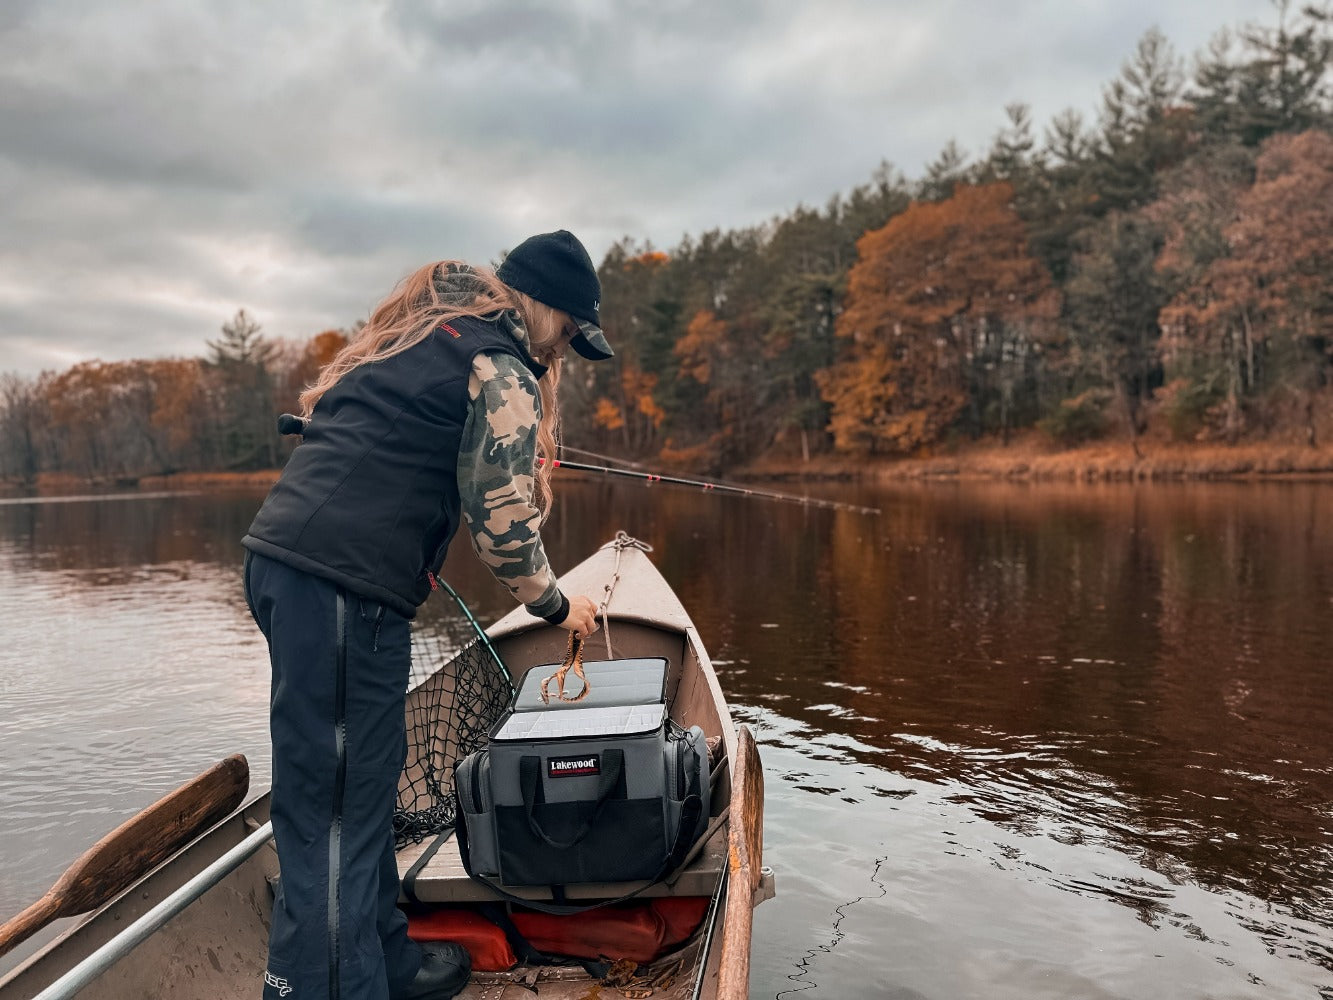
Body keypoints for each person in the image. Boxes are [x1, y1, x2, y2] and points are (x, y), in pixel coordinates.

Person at [240, 230, 613, 1000]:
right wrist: (556, 605)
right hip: (339, 590)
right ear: (543, 305)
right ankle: (325, 987)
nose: (563, 351)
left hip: (298, 575)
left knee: (360, 786)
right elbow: (502, 525)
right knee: (334, 811)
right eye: (569, 331)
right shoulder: (499, 368)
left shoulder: (425, 337)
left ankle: (386, 961)